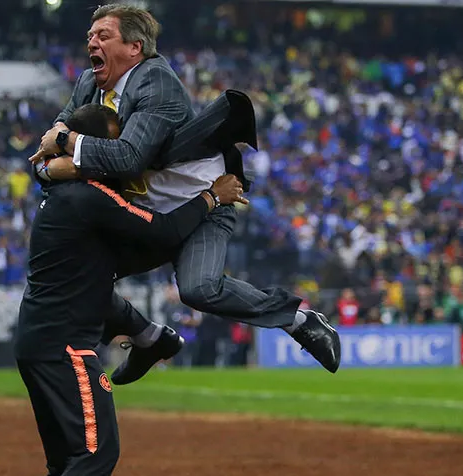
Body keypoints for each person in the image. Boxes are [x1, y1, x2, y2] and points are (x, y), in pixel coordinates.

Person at [30, 3, 340, 382]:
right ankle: (149, 338)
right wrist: (51, 162)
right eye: (90, 37)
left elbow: (125, 158)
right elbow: (46, 150)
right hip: (152, 214)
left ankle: (297, 319)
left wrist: (64, 145)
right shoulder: (88, 84)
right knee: (78, 270)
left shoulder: (155, 81)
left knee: (199, 290)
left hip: (209, 201)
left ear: (135, 47)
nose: (91, 42)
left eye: (103, 36)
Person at [12, 103, 246, 476]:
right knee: (97, 453)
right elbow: (160, 231)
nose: (128, 157)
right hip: (66, 347)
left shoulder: (64, 194)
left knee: (66, 462)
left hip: (41, 340)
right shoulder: (91, 196)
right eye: (118, 146)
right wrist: (211, 197)